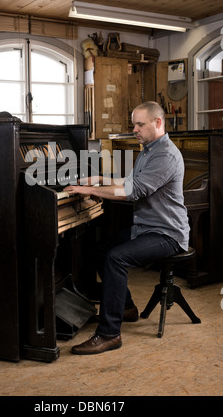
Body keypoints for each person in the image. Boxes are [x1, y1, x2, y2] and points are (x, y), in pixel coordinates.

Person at [63, 101, 190, 355]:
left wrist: (89, 190)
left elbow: (134, 191)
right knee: (101, 250)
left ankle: (109, 334)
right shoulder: (148, 149)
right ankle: (126, 308)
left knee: (115, 258)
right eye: (134, 124)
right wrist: (100, 179)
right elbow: (131, 181)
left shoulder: (165, 154)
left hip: (167, 234)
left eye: (140, 124)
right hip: (146, 228)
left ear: (158, 123)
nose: (134, 129)